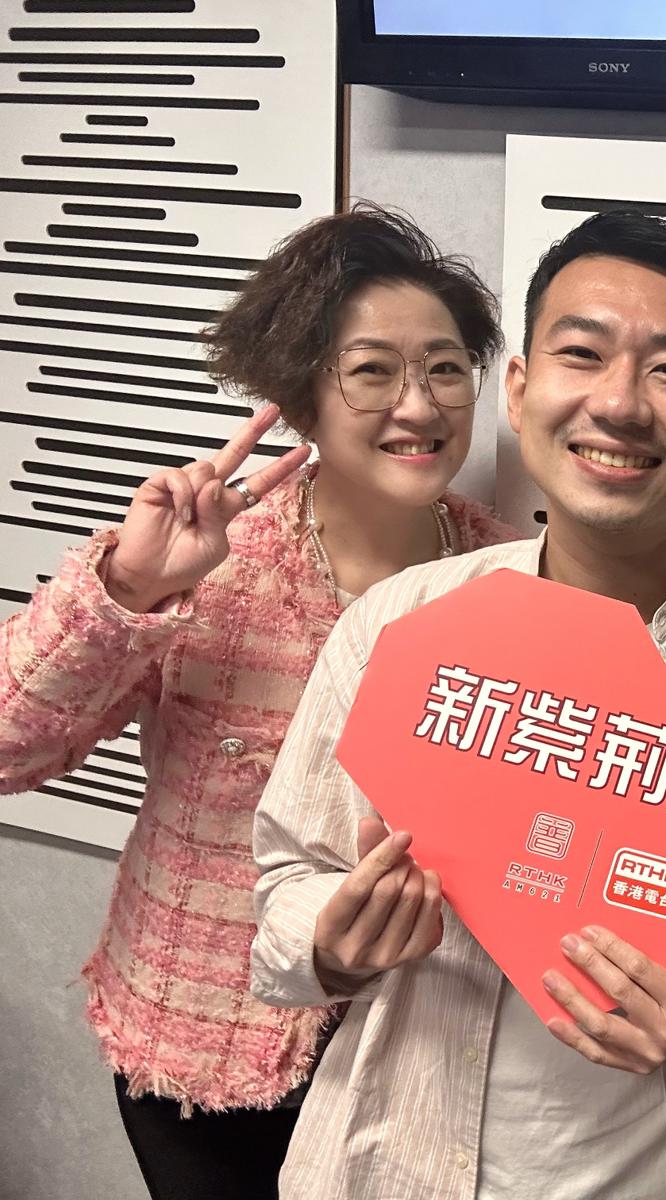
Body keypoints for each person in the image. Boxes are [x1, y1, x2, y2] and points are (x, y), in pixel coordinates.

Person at [250, 210, 666, 1200]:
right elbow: (285, 883)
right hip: (396, 1162)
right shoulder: (405, 623)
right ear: (518, 391)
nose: (621, 403)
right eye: (582, 354)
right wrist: (336, 938)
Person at [0, 202, 514, 1200]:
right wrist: (130, 590)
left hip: (419, 1056)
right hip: (205, 1046)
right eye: (372, 371)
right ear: (301, 399)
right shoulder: (208, 562)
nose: (419, 405)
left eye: (447, 368)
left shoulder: (509, 583)